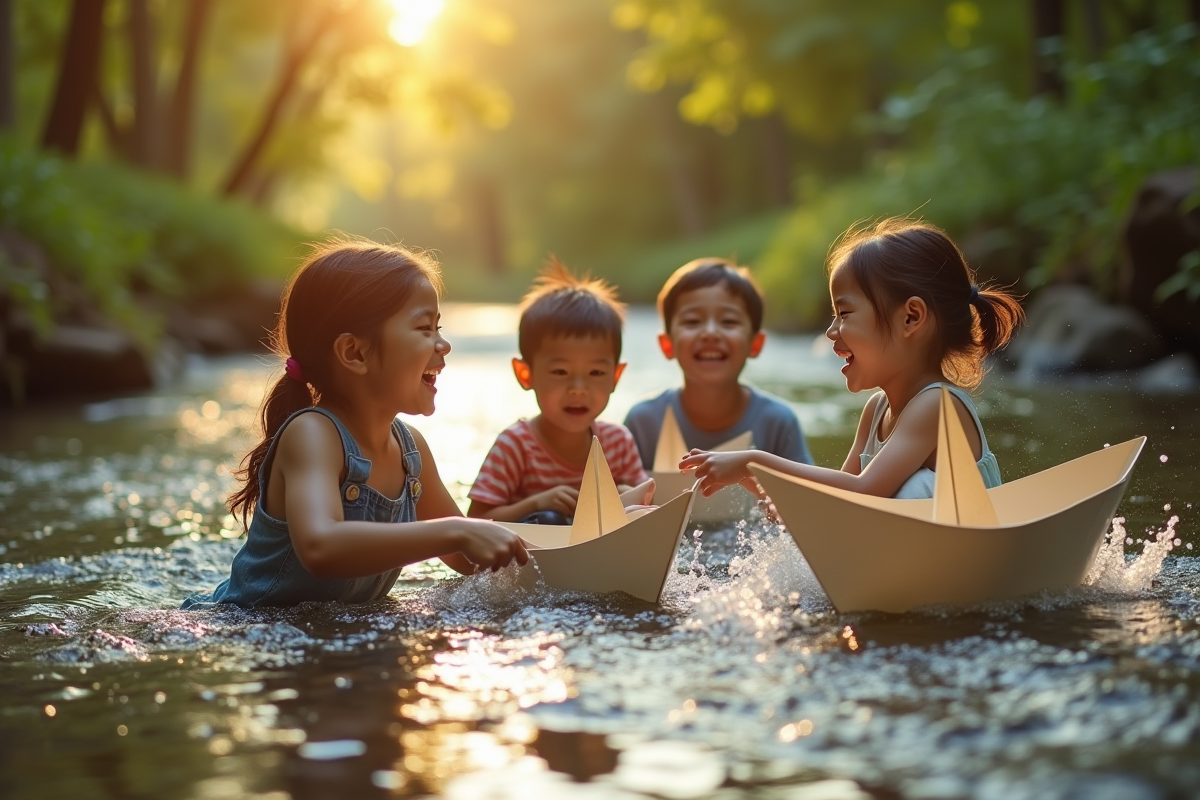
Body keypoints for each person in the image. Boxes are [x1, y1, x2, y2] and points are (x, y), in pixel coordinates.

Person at [182, 238, 528, 609]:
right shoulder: (313, 435)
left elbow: (470, 558)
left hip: (321, 637)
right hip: (246, 625)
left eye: (439, 328)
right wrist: (456, 531)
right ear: (355, 353)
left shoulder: (411, 451)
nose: (443, 345)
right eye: (425, 328)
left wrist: (570, 549)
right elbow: (321, 546)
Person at [680, 219, 1024, 500]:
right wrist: (763, 484)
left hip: (967, 568)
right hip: (912, 565)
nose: (832, 331)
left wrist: (756, 461)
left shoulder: (937, 405)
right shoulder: (876, 411)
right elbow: (835, 505)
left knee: (916, 489)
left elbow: (865, 490)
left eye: (844, 313)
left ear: (911, 318)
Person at [467, 257, 652, 524]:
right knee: (549, 518)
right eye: (560, 372)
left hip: (601, 553)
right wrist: (535, 503)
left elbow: (649, 508)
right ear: (525, 374)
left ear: (615, 377)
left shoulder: (618, 443)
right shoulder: (516, 446)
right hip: (539, 557)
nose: (578, 389)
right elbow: (476, 523)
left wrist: (629, 497)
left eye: (596, 373)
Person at [624, 257, 812, 470]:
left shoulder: (778, 422)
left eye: (729, 321)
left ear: (755, 344)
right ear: (667, 345)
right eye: (692, 321)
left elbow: (805, 497)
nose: (711, 333)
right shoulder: (643, 422)